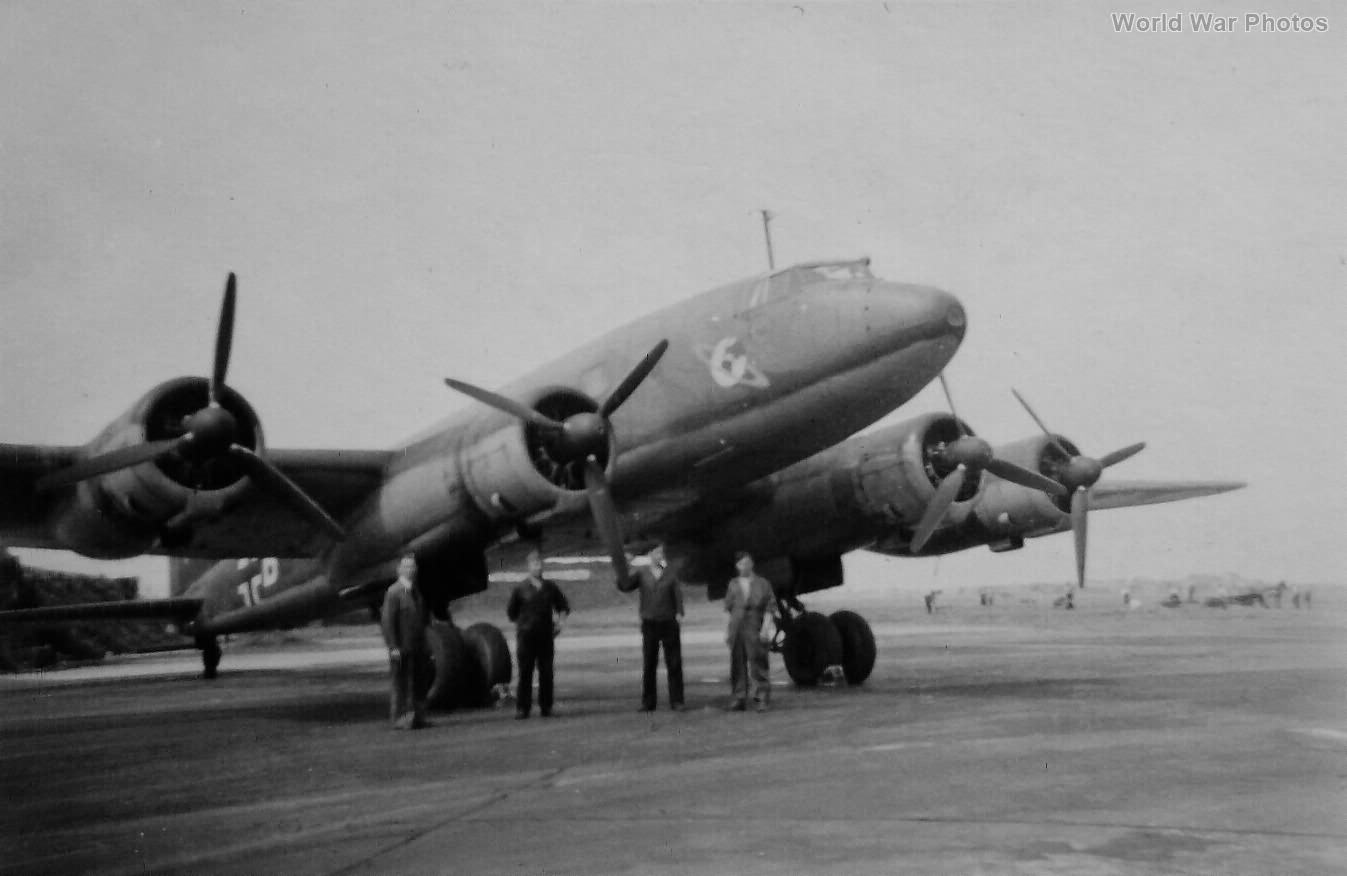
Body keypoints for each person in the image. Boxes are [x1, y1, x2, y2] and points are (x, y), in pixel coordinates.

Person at [618, 545, 685, 712]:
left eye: (661, 552)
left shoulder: (669, 573)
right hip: (650, 622)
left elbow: (677, 593)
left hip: (669, 621)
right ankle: (648, 702)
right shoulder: (642, 573)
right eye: (656, 552)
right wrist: (623, 568)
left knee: (674, 663)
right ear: (649, 554)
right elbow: (625, 586)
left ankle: (677, 701)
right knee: (649, 664)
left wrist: (679, 612)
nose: (659, 555)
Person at [507, 548, 570, 719]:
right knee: (525, 672)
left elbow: (563, 606)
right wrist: (524, 624)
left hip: (546, 636)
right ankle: (523, 708)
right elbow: (511, 613)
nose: (537, 566)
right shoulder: (520, 589)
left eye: (539, 563)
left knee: (546, 672)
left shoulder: (550, 587)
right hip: (526, 637)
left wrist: (560, 622)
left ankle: (546, 706)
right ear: (528, 567)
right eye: (534, 564)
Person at [380, 553, 431, 730]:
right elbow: (388, 622)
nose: (410, 570)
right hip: (401, 648)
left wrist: (426, 644)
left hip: (417, 647)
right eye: (407, 567)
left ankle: (417, 717)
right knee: (400, 684)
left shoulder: (416, 592)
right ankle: (398, 719)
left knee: (418, 683)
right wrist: (393, 647)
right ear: (399, 570)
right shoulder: (393, 592)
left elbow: (422, 621)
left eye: (413, 567)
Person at [723, 551, 774, 712]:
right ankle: (739, 698)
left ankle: (762, 697)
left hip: (754, 624)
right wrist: (727, 631)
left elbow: (770, 607)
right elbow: (728, 608)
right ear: (737, 566)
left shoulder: (763, 583)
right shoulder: (733, 584)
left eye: (747, 562)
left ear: (752, 564)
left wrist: (766, 627)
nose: (744, 566)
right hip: (736, 626)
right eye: (741, 563)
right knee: (737, 663)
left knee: (758, 661)